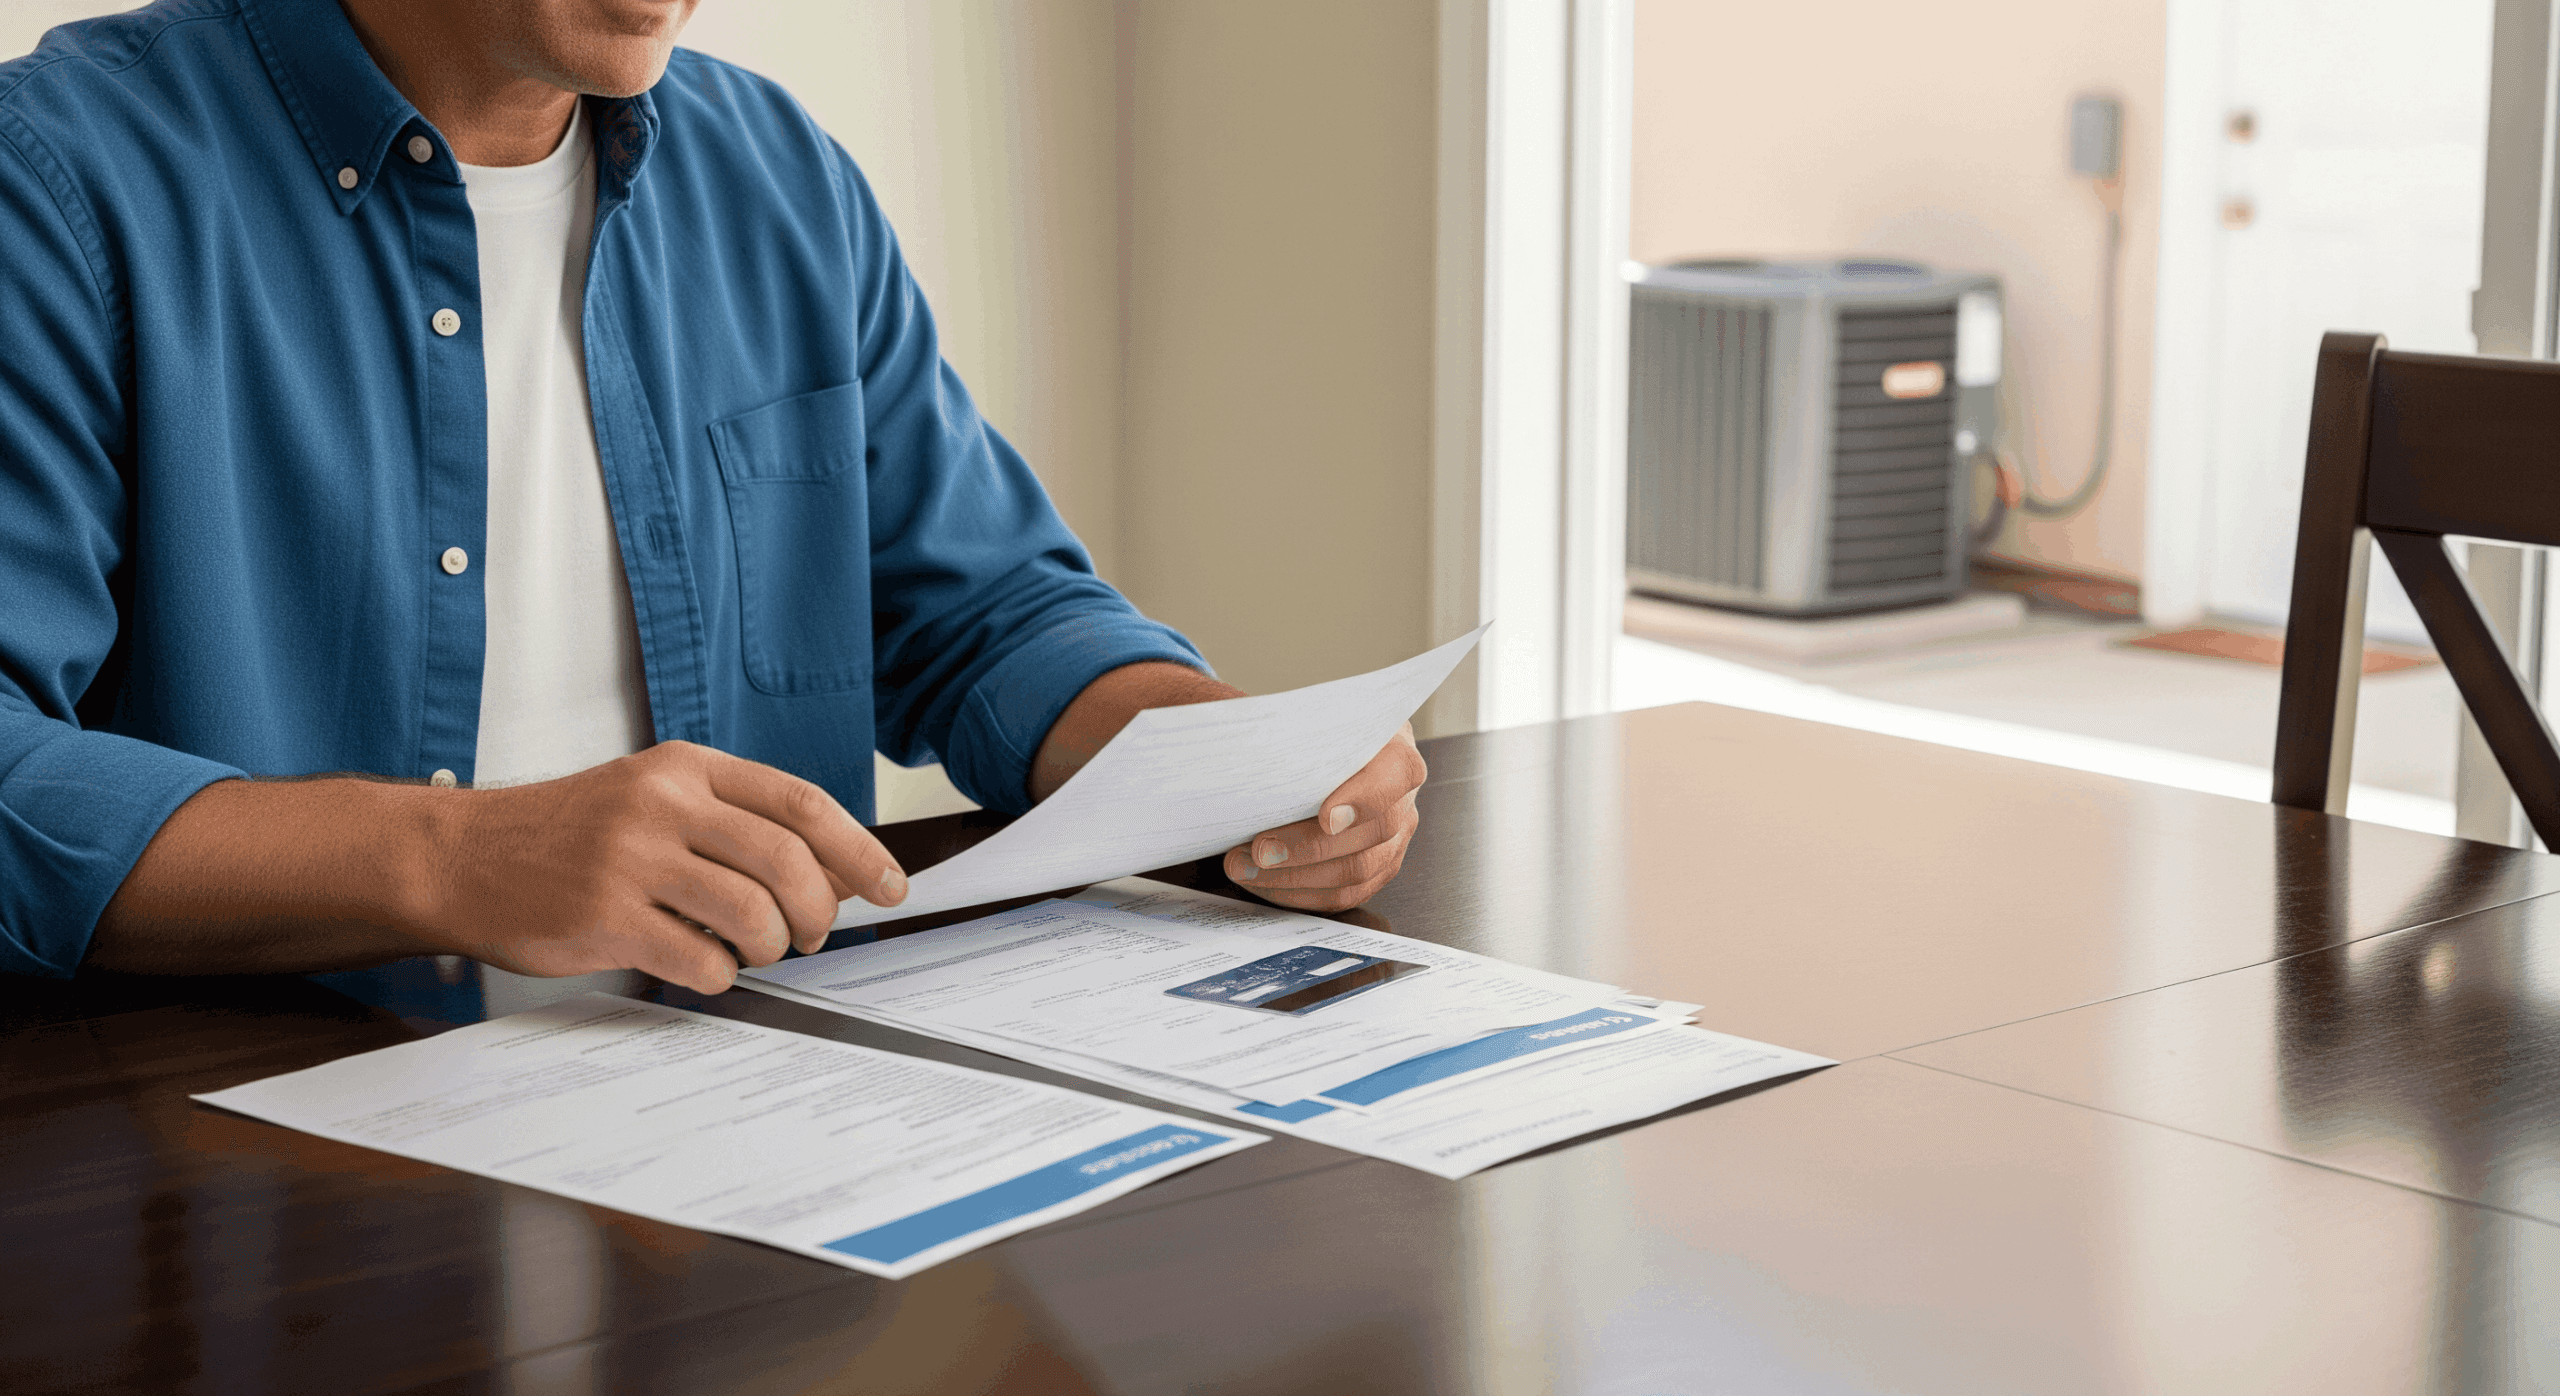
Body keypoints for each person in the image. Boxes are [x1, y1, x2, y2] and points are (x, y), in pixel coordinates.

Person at [0, 0, 1426, 993]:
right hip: (239, 1174)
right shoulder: (58, 185)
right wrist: (459, 857)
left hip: (748, 1146)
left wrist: (1217, 761)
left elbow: (976, 611)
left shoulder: (776, 174)